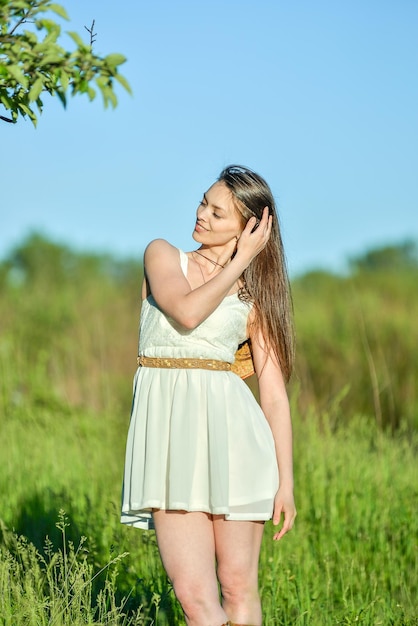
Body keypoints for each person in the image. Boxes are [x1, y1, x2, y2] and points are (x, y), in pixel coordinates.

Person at [121, 165, 297, 626]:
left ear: (250, 229)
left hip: (236, 444)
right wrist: (238, 260)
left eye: (218, 214)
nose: (202, 215)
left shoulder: (254, 295)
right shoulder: (163, 256)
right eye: (204, 202)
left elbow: (274, 396)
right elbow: (185, 312)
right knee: (196, 601)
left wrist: (287, 482)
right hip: (168, 446)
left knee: (238, 588)